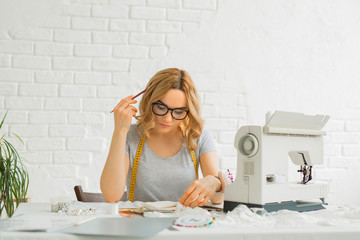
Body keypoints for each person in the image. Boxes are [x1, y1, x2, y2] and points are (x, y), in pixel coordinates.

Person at [100, 68, 224, 208]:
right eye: (160, 107)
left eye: (178, 111)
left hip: (183, 224)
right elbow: (111, 195)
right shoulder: (131, 136)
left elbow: (218, 199)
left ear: (188, 111)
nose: (167, 118)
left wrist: (216, 182)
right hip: (140, 224)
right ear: (149, 101)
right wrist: (120, 131)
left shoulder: (198, 137)